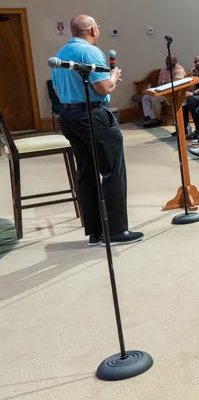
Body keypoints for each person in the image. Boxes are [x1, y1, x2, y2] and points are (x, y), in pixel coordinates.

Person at [52, 14, 143, 246]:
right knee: (112, 171)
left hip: (68, 115)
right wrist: (113, 76)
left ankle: (95, 232)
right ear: (93, 30)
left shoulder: (61, 53)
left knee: (86, 173)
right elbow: (102, 88)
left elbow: (58, 90)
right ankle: (116, 231)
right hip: (91, 114)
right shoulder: (90, 52)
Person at [141, 54, 186, 128]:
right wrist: (165, 83)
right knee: (146, 97)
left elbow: (176, 83)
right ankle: (148, 116)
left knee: (156, 98)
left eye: (170, 60)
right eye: (167, 60)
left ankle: (155, 119)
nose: (168, 62)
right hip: (162, 91)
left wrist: (165, 82)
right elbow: (160, 83)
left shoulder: (179, 70)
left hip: (173, 93)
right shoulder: (163, 70)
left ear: (175, 61)